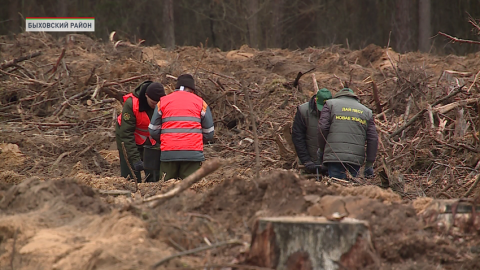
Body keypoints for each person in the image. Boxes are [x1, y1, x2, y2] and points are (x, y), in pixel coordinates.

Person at [149, 74, 214, 180]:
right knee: (192, 188)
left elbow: (153, 130)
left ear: (176, 88)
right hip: (192, 153)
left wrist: (166, 140)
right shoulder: (201, 103)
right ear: (192, 89)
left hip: (168, 153)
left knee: (167, 188)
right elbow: (209, 132)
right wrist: (194, 140)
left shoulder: (163, 101)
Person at [317, 88, 378, 179]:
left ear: (338, 95)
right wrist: (369, 163)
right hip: (355, 158)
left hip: (335, 156)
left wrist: (322, 149)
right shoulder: (366, 111)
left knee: (336, 186)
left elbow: (323, 127)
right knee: (351, 188)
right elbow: (373, 138)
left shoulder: (330, 104)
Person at [115, 81, 166, 182]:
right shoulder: (131, 104)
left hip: (150, 139)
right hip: (127, 137)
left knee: (154, 174)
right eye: (153, 103)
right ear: (146, 95)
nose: (156, 106)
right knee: (131, 175)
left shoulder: (164, 103)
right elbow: (126, 134)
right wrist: (135, 159)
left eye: (158, 103)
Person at [292, 88, 332, 174]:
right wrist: (306, 160)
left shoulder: (335, 111)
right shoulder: (303, 111)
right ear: (315, 100)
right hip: (308, 161)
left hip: (329, 164)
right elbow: (298, 137)